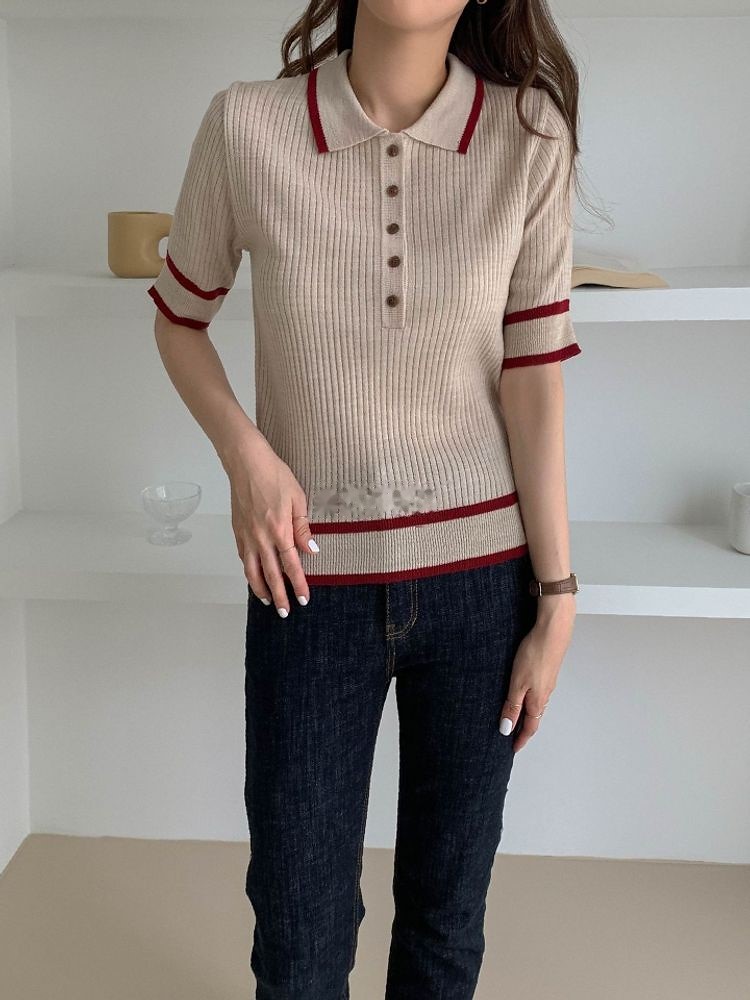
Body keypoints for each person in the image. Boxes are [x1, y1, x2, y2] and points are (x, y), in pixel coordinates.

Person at [148, 1, 584, 996]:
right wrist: (249, 460)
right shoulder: (246, 125)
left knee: (445, 917)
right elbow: (178, 318)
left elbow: (535, 380)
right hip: (307, 584)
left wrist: (556, 598)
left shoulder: (528, 135)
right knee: (299, 931)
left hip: (484, 588)